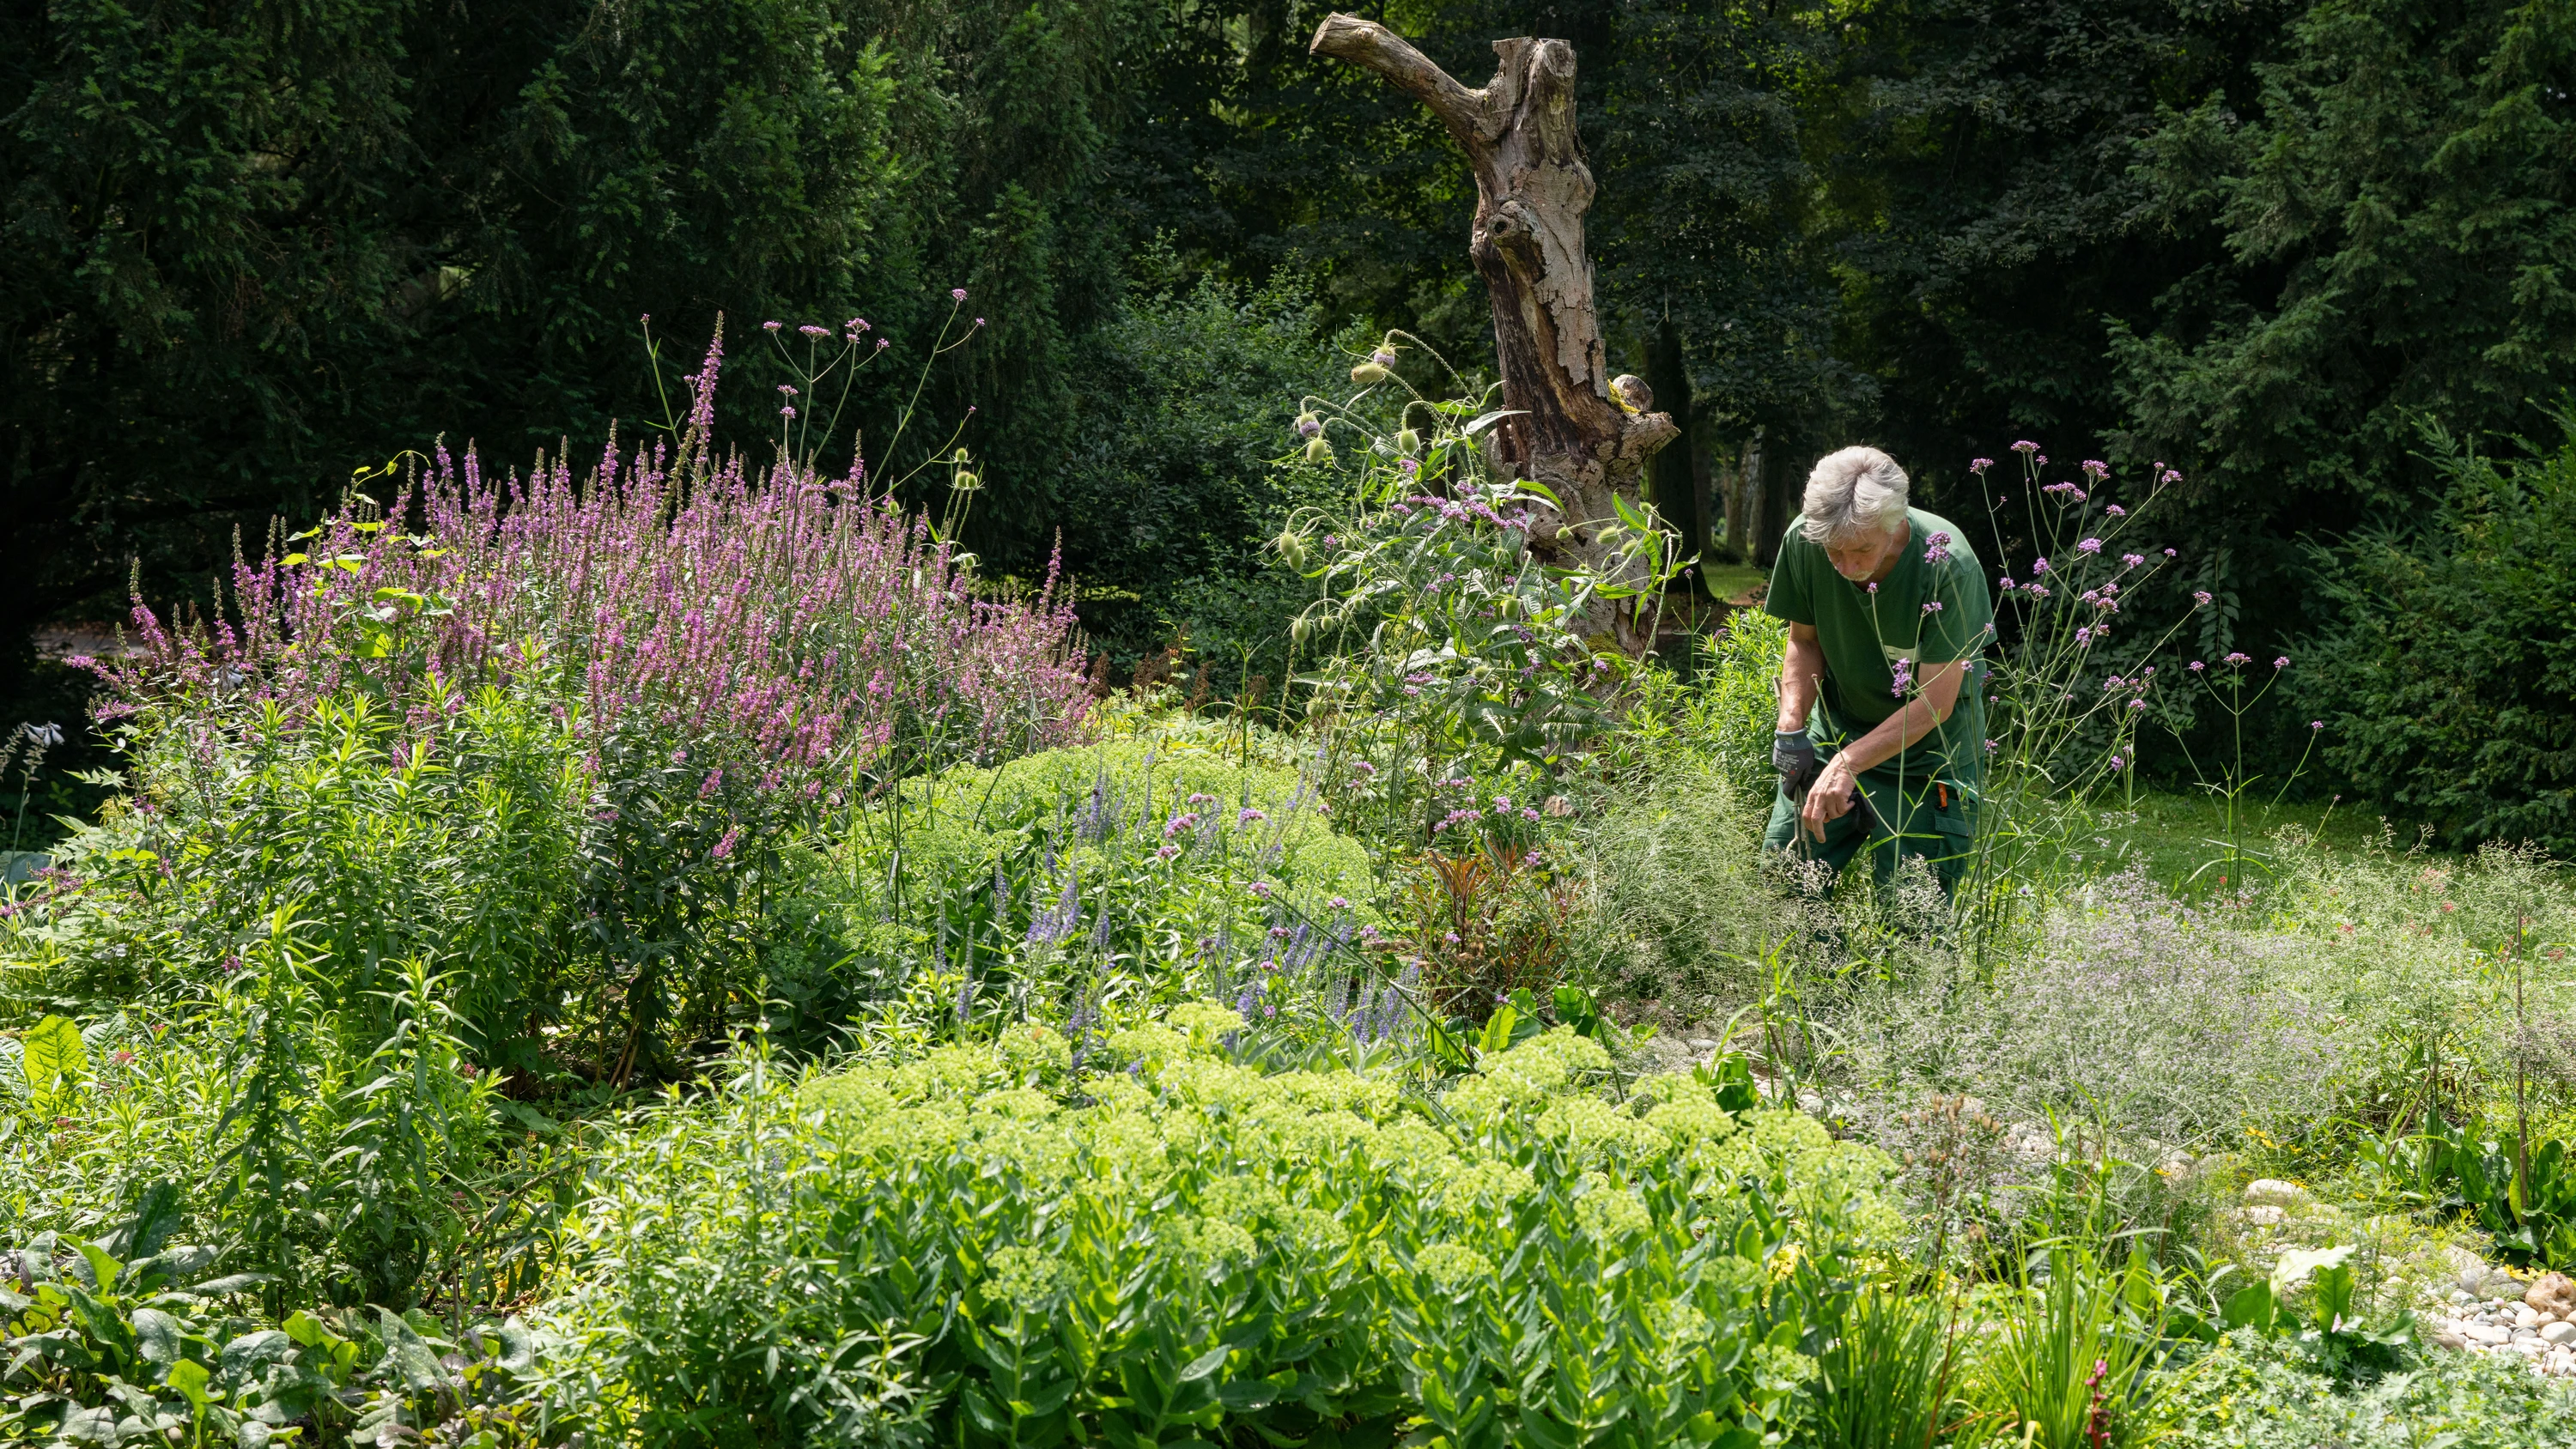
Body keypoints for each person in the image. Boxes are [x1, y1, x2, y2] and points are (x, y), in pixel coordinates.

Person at [1762, 446, 1991, 894]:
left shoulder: (1949, 565)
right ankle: (1813, 968)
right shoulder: (1806, 539)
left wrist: (1850, 763)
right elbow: (1804, 641)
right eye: (1833, 551)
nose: (1846, 567)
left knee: (1913, 915)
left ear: (1896, 524)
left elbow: (1933, 705)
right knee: (1784, 886)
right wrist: (1791, 729)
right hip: (1836, 731)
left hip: (1929, 757)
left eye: (1861, 550)